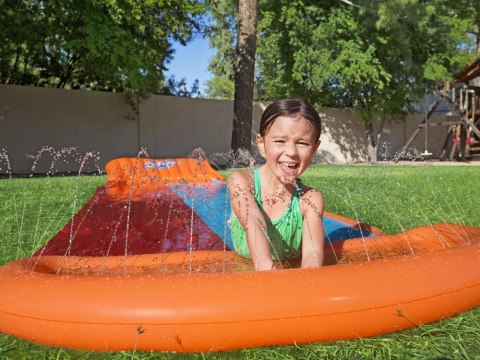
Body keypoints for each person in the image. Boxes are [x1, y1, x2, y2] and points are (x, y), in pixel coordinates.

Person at [228, 99, 324, 271]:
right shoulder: (241, 183)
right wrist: (266, 269)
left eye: (302, 143)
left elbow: (312, 255)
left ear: (315, 148)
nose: (292, 152)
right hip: (244, 280)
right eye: (280, 141)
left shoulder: (310, 200)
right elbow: (254, 222)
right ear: (261, 144)